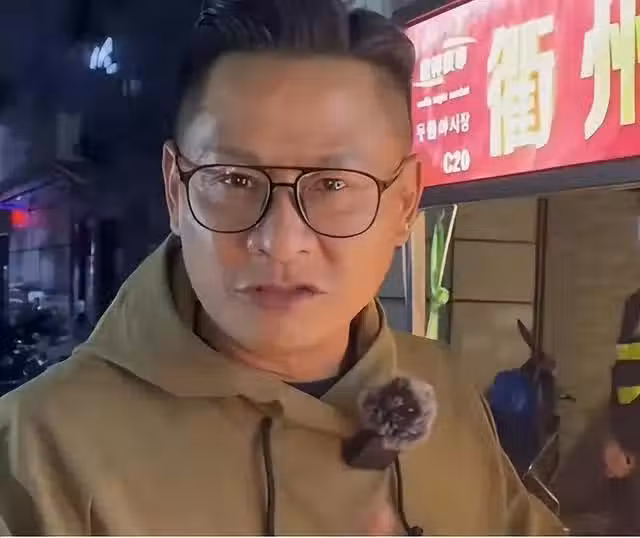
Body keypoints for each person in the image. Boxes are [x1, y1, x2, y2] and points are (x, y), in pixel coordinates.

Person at [0, 1, 563, 534]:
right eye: (234, 180)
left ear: (405, 203)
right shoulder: (40, 451)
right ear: (175, 190)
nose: (281, 242)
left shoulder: (446, 395)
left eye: (334, 185)